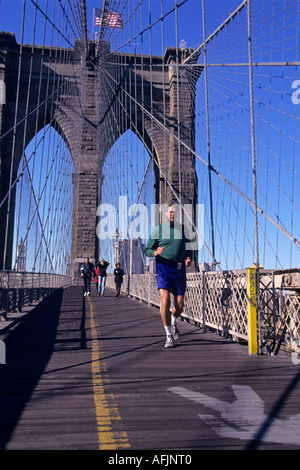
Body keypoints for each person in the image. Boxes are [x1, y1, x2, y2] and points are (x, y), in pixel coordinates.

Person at [144, 203, 193, 348]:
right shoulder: (158, 230)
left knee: (180, 306)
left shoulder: (183, 230)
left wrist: (188, 258)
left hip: (178, 270)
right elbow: (147, 250)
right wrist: (155, 253)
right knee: (165, 302)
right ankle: (168, 335)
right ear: (165, 214)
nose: (172, 214)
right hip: (163, 269)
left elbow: (188, 249)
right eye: (170, 212)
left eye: (175, 213)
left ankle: (173, 321)